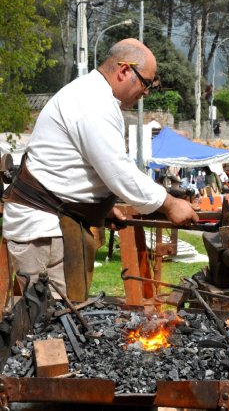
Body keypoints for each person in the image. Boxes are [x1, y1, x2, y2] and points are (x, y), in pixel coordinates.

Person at [3, 38, 199, 301]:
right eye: (146, 83)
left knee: (61, 315)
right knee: (48, 323)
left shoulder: (95, 96)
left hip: (53, 224)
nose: (146, 92)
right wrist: (170, 203)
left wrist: (103, 208)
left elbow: (78, 167)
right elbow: (118, 172)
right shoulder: (92, 102)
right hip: (44, 229)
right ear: (124, 71)